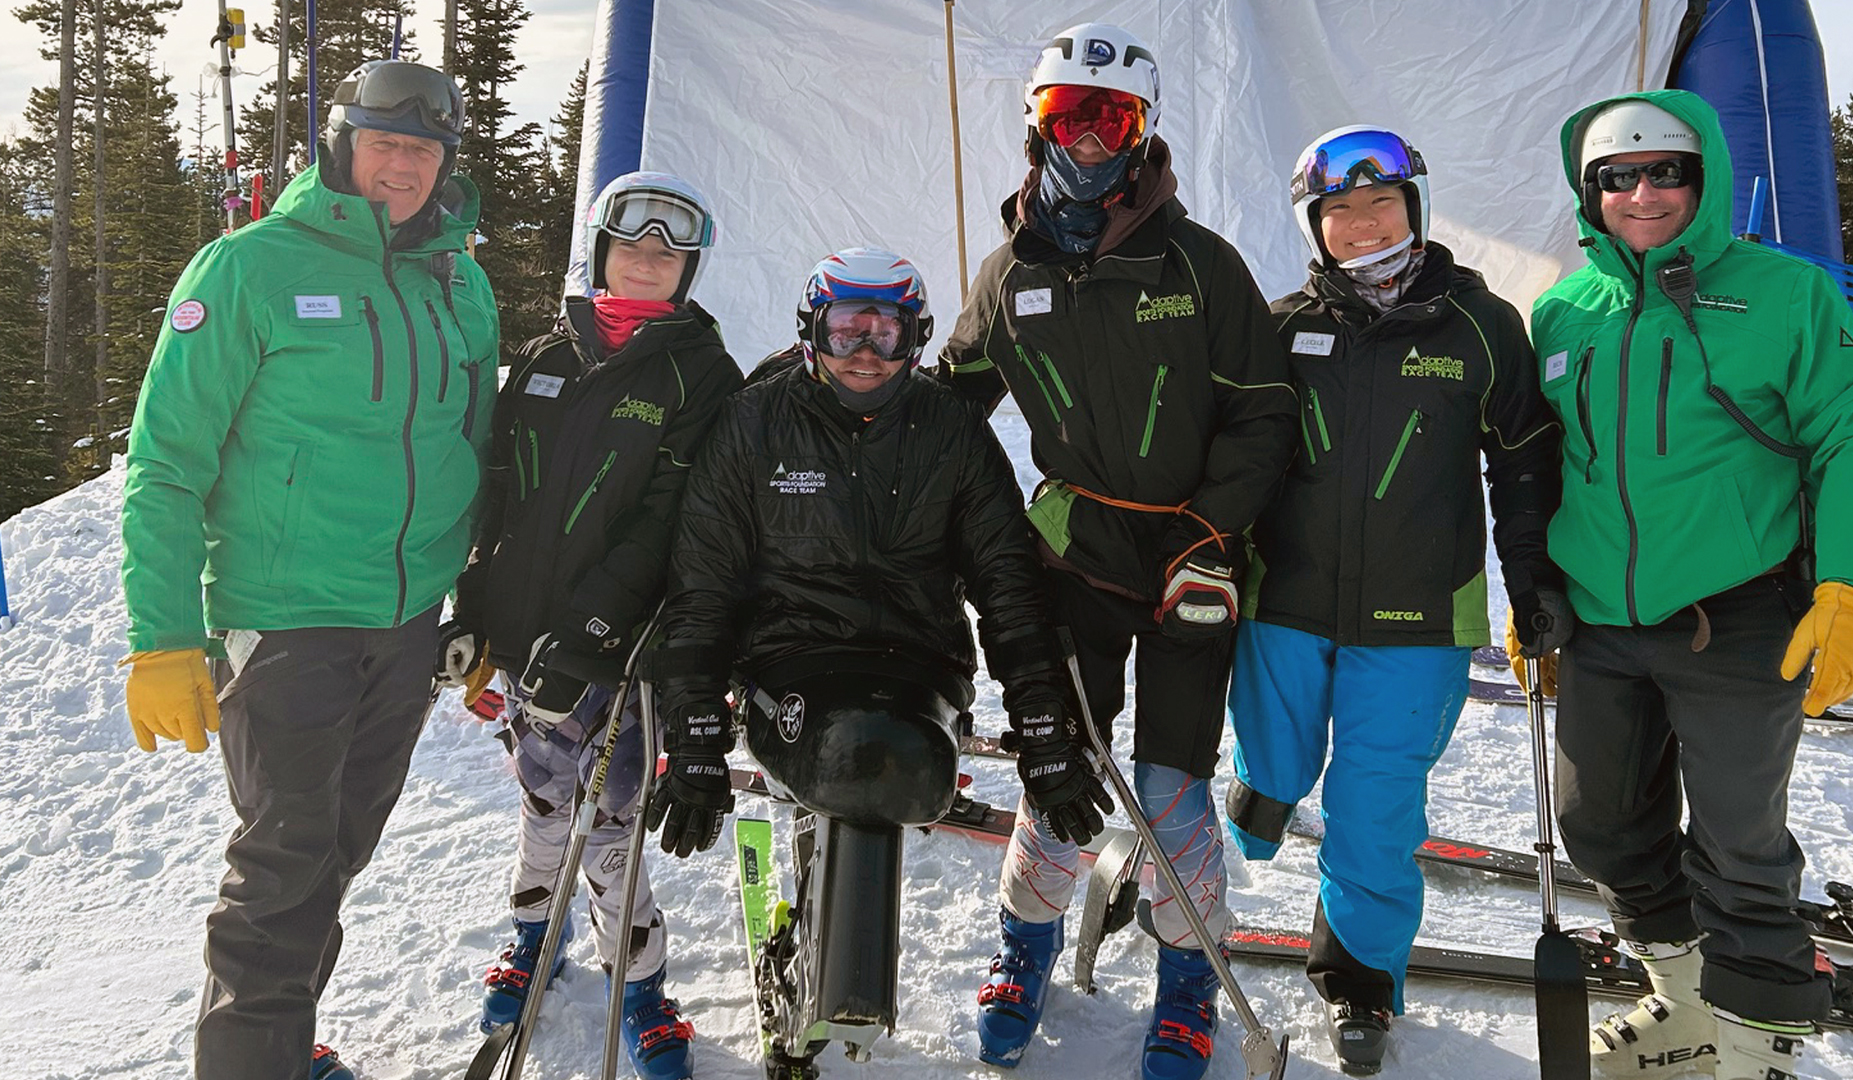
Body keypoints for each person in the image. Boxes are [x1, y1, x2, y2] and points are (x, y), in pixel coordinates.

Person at [118, 60, 496, 1080]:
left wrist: (482, 600)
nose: (403, 167)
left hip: (405, 625)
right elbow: (165, 466)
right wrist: (163, 639)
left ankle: (278, 1046)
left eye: (424, 150)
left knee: (336, 854)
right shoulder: (248, 268)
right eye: (385, 144)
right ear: (341, 146)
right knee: (283, 869)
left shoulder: (459, 281)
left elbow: (475, 449)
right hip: (286, 622)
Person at [1519, 90, 1853, 1080]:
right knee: (1599, 824)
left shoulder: (1784, 294)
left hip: (1738, 615)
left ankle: (1759, 1042)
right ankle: (1688, 1004)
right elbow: (1549, 466)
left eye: (1666, 172)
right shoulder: (1566, 309)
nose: (1642, 194)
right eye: (1617, 177)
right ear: (1589, 192)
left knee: (1739, 842)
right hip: (1604, 622)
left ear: (1705, 178)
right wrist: (1537, 590)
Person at [936, 23, 1293, 1080]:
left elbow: (1264, 412)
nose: (1090, 139)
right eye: (1069, 116)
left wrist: (1208, 534)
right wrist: (832, 392)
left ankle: (1187, 982)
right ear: (1037, 127)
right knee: (1062, 768)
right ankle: (1025, 945)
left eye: (1113, 117)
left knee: (1173, 789)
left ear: (1142, 130)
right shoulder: (1010, 275)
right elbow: (946, 410)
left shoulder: (1200, 263)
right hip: (1076, 558)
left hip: (1192, 563)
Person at [644, 249, 1081, 1072]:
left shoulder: (949, 428)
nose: (866, 353)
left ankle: (837, 955)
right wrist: (695, 725)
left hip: (916, 665)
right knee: (846, 753)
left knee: (893, 760)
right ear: (812, 331)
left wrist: (1042, 717)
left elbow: (1007, 583)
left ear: (916, 337)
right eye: (847, 329)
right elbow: (703, 585)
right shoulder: (755, 423)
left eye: (888, 332)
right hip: (791, 659)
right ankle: (816, 952)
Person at [1225, 125, 1563, 1072]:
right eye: (1340, 210)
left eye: (1382, 203)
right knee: (1276, 770)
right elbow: (1239, 454)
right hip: (1285, 605)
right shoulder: (1283, 328)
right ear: (1315, 225)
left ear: (1414, 207)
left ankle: (1360, 978)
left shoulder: (1480, 327)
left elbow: (1524, 462)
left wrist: (1532, 579)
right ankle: (1264, 789)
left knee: (1375, 807)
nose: (1364, 224)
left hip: (1418, 618)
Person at [437, 171, 742, 1079]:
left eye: (669, 251)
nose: (648, 259)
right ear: (602, 249)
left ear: (687, 270)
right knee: (541, 800)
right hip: (528, 645)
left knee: (609, 827)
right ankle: (537, 934)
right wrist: (474, 610)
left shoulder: (701, 374)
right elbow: (499, 494)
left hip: (622, 654)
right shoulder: (547, 356)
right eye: (632, 243)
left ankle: (638, 984)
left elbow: (668, 522)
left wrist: (591, 636)